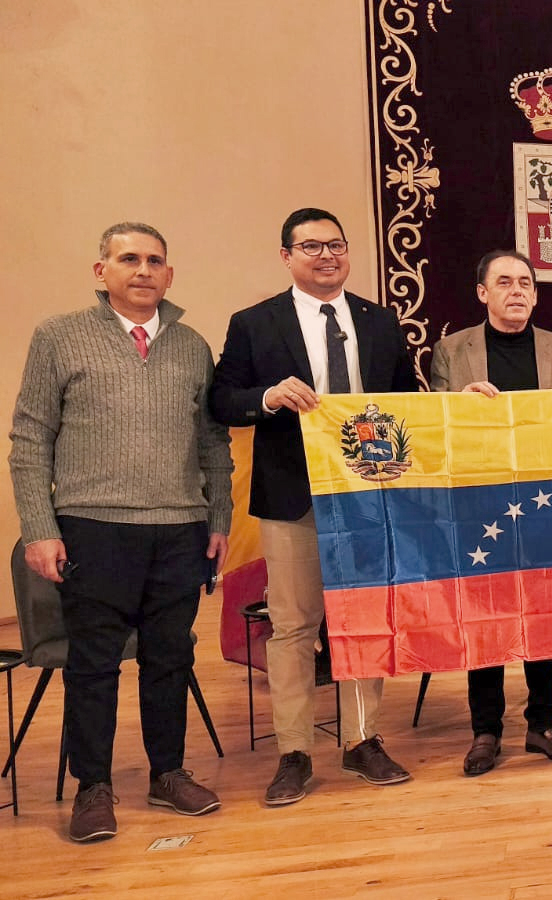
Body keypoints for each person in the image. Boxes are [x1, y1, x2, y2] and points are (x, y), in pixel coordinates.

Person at [10, 222, 233, 842]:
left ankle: (168, 774)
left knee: (170, 657)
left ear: (169, 275)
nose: (143, 270)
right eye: (128, 258)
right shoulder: (59, 336)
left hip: (180, 529)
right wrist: (39, 528)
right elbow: (30, 437)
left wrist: (218, 519)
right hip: (93, 528)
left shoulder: (192, 346)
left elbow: (213, 444)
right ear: (101, 270)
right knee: (93, 665)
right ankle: (94, 787)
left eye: (155, 261)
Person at [210, 208, 417, 806]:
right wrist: (268, 396)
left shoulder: (381, 321)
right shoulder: (255, 322)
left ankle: (361, 740)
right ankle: (294, 752)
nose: (327, 256)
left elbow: (408, 401)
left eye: (336, 245)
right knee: (294, 624)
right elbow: (222, 399)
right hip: (291, 497)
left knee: (362, 618)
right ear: (287, 256)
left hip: (368, 495)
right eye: (311, 246)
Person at [430, 249, 552, 775]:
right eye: (504, 282)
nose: (516, 290)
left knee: (545, 613)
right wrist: (459, 403)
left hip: (545, 502)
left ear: (536, 295)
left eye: (525, 282)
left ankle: (544, 724)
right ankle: (486, 730)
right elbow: (435, 426)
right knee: (486, 615)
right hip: (480, 501)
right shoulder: (452, 351)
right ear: (482, 293)